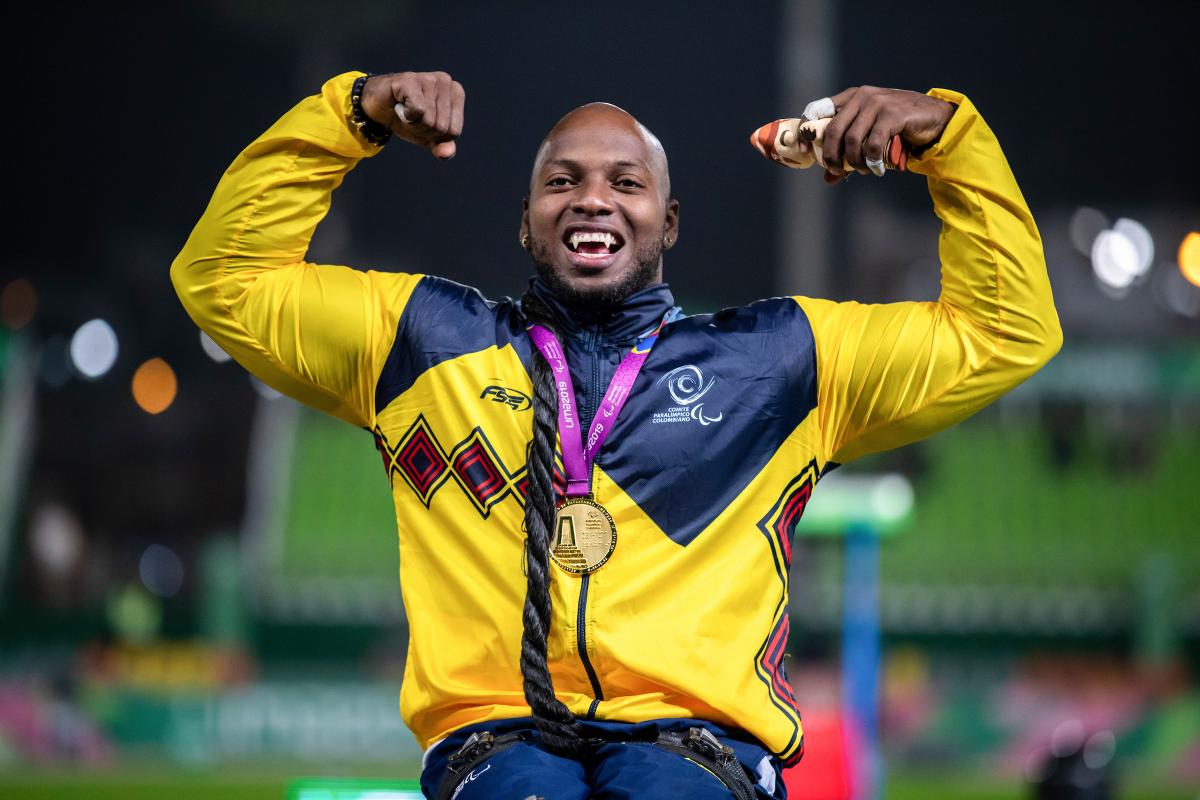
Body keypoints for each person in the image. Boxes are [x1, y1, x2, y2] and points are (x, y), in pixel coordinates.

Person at [171, 69, 1061, 799]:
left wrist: (949, 138)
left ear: (667, 224)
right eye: (562, 181)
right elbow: (223, 281)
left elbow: (1007, 331)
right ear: (525, 221)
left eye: (626, 182)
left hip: (700, 747)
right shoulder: (418, 339)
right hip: (495, 745)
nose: (592, 198)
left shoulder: (777, 361)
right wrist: (351, 113)